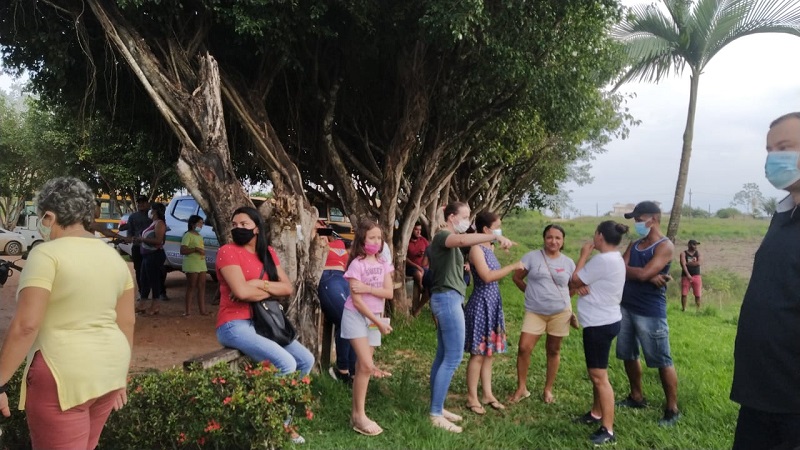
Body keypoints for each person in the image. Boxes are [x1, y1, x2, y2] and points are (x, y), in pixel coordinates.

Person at [0, 177, 134, 449]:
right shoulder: (114, 258)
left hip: (61, 373)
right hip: (110, 369)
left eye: (41, 217)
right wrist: (121, 377)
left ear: (49, 216)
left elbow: (27, 325)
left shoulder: (46, 255)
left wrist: (0, 382)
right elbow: (127, 321)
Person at [215, 206, 314, 444]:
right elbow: (239, 291)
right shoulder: (227, 252)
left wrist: (257, 285)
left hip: (265, 323)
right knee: (287, 363)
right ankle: (271, 422)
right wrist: (265, 289)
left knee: (305, 360)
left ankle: (283, 421)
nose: (238, 228)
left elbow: (287, 288)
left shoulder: (267, 252)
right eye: (235, 225)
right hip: (234, 324)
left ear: (256, 228)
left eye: (244, 225)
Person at [731, 112, 800, 450]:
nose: (774, 158)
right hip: (761, 393)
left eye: (784, 147)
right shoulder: (783, 216)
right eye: (770, 150)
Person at [427, 201, 514, 433]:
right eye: (465, 216)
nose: (469, 222)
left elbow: (463, 245)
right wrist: (493, 238)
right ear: (452, 217)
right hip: (447, 299)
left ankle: (438, 406)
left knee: (443, 355)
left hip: (449, 298)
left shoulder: (450, 238)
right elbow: (464, 240)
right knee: (453, 357)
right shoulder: (443, 235)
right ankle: (435, 413)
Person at [616, 201, 680, 427]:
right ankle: (636, 396)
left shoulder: (665, 246)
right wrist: (645, 274)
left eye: (639, 218)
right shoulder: (635, 244)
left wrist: (644, 274)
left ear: (653, 219)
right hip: (626, 306)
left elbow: (639, 273)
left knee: (662, 359)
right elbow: (619, 269)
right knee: (628, 354)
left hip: (651, 311)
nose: (636, 223)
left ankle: (672, 408)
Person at [570, 221, 628, 446]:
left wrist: (583, 255)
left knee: (599, 377)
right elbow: (582, 284)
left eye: (595, 234)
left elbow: (574, 280)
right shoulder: (615, 258)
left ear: (600, 236)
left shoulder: (602, 259)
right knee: (597, 372)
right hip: (608, 319)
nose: (593, 238)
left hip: (599, 324)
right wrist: (583, 284)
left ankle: (608, 429)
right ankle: (596, 412)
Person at [463, 211, 523, 415]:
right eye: (497, 226)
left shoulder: (490, 246)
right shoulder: (476, 249)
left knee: (489, 354)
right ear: (487, 230)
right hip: (481, 304)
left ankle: (488, 394)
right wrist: (513, 266)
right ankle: (472, 397)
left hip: (493, 302)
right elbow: (487, 277)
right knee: (478, 355)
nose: (500, 230)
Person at [509, 224, 577, 405]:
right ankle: (521, 388)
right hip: (535, 312)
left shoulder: (568, 262)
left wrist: (563, 301)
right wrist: (531, 293)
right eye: (549, 237)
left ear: (563, 241)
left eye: (557, 238)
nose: (553, 241)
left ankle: (548, 389)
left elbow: (574, 286)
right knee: (524, 348)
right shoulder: (531, 257)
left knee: (553, 350)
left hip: (560, 314)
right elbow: (517, 278)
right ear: (544, 238)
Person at [340, 218, 394, 436]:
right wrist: (378, 321)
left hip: (375, 319)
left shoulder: (383, 263)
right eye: (372, 237)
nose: (376, 241)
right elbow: (357, 301)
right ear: (362, 239)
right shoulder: (356, 265)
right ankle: (359, 416)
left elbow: (389, 292)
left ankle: (357, 414)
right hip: (357, 316)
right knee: (367, 364)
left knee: (363, 369)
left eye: (379, 238)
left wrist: (367, 287)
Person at [318, 231, 355, 383]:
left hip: (345, 279)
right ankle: (342, 370)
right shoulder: (318, 245)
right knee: (346, 318)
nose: (322, 231)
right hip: (328, 276)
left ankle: (354, 373)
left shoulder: (340, 243)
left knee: (356, 320)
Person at [134, 202, 167, 315]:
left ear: (155, 211)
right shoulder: (153, 223)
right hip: (147, 255)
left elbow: (159, 241)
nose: (149, 211)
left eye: (151, 209)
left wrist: (142, 240)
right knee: (144, 280)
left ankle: (155, 305)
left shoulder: (160, 224)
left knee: (154, 280)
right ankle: (142, 304)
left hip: (154, 255)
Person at [121, 196, 152, 299]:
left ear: (148, 203)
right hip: (137, 247)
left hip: (150, 248)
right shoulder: (133, 217)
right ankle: (142, 292)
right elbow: (130, 234)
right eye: (139, 203)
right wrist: (130, 238)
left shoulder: (152, 216)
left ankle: (159, 292)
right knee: (139, 270)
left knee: (151, 270)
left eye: (143, 202)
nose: (141, 205)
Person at [180, 214, 208, 316]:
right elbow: (183, 250)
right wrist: (195, 249)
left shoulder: (199, 236)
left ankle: (203, 310)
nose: (201, 225)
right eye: (199, 223)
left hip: (201, 263)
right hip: (192, 264)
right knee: (191, 286)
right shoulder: (188, 235)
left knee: (202, 286)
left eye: (202, 223)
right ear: (193, 224)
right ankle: (187, 311)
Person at [407, 222, 430, 315]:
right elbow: (405, 258)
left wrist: (424, 255)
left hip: (424, 267)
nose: (418, 232)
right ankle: (421, 287)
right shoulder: (407, 241)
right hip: (411, 267)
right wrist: (417, 266)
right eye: (416, 230)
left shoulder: (423, 240)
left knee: (431, 286)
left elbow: (430, 252)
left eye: (420, 230)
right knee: (418, 274)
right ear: (412, 230)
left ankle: (418, 307)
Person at [679, 239, 702, 311]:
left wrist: (687, 263)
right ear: (689, 245)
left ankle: (698, 310)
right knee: (684, 293)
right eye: (694, 244)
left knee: (698, 294)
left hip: (696, 275)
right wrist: (688, 274)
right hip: (685, 276)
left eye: (696, 245)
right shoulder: (683, 253)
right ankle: (684, 309)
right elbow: (683, 264)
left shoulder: (698, 253)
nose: (695, 246)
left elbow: (698, 263)